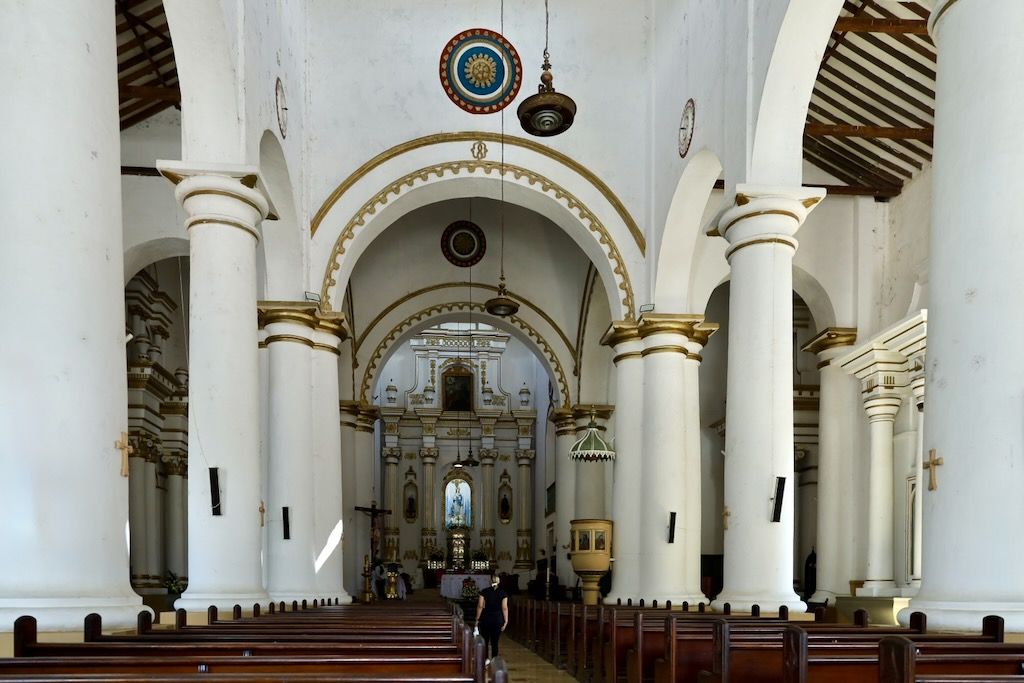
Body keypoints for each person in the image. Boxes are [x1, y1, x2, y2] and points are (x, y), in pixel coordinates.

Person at [475, 574, 509, 661]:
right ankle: (494, 660)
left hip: (485, 618)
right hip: (497, 619)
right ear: (499, 582)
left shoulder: (484, 591)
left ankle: (485, 659)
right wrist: (506, 621)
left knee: (485, 641)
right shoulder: (503, 593)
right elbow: (504, 608)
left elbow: (480, 606)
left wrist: (477, 619)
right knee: (495, 642)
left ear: (490, 582)